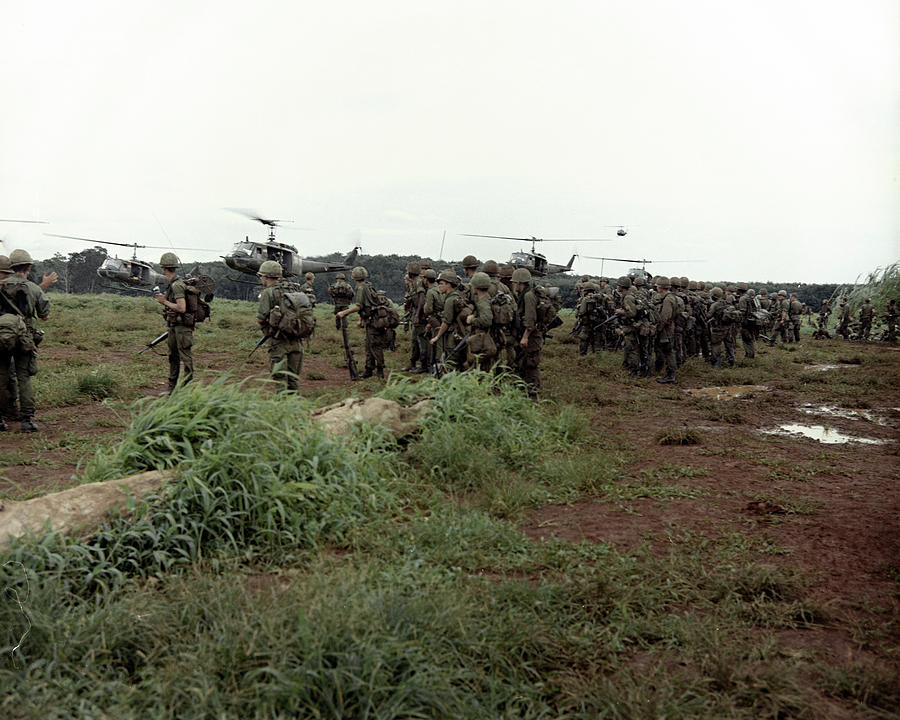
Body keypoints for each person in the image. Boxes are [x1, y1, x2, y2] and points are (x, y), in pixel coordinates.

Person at [0, 249, 51, 432]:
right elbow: (44, 316)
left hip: (2, 335)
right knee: (24, 377)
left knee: (1, 375)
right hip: (25, 337)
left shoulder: (0, 285)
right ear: (29, 267)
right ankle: (27, 420)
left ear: (12, 267)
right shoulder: (34, 288)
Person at [255, 260, 306, 391]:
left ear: (266, 276)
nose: (260, 278)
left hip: (278, 342)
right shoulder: (294, 289)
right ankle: (295, 407)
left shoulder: (268, 292)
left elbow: (260, 319)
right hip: (296, 340)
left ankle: (283, 408)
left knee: (280, 379)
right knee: (293, 378)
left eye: (261, 275)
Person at [336, 266, 388, 379]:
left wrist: (344, 313)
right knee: (369, 346)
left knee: (374, 346)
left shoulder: (361, 289)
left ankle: (379, 371)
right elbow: (368, 305)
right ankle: (369, 369)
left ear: (354, 278)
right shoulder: (369, 286)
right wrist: (361, 319)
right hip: (373, 320)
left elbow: (359, 306)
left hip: (373, 321)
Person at [154, 253, 193, 393]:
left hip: (182, 328)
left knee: (185, 358)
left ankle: (186, 390)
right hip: (174, 326)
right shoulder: (173, 284)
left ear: (164, 268)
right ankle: (171, 389)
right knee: (173, 357)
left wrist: (164, 301)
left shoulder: (177, 285)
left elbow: (182, 308)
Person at [511, 267, 542, 398]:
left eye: (514, 282)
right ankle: (525, 392)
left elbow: (530, 319)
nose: (513, 284)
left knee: (530, 365)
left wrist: (525, 337)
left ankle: (534, 394)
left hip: (531, 337)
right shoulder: (525, 294)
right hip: (528, 336)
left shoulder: (528, 296)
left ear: (520, 283)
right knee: (523, 364)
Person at [464, 271, 497, 371]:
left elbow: (486, 321)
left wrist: (472, 320)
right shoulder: (486, 298)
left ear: (476, 287)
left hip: (483, 338)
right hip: (484, 337)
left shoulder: (483, 303)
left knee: (481, 365)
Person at [655, 276, 678, 383]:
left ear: (661, 287)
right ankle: (670, 374)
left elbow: (665, 317)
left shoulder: (668, 299)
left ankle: (670, 375)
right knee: (668, 351)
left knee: (668, 351)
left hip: (666, 329)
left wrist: (658, 329)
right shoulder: (671, 297)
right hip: (668, 327)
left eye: (658, 286)